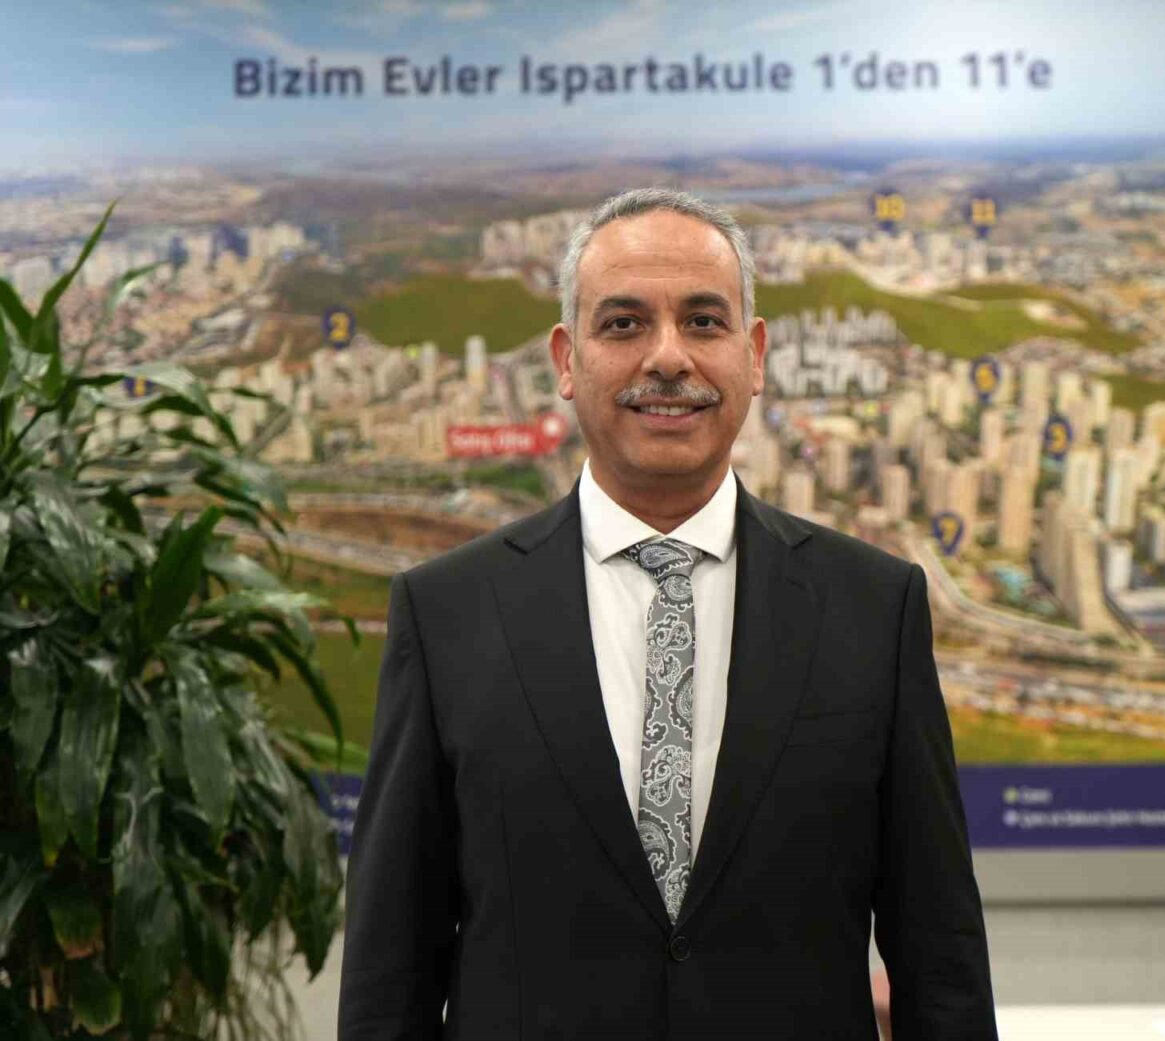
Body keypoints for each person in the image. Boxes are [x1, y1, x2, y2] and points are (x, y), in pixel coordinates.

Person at [338, 187, 998, 1040]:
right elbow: (390, 971)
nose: (668, 357)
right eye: (623, 324)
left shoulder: (875, 609)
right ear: (566, 360)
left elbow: (940, 959)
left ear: (753, 356)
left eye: (703, 321)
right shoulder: (446, 616)